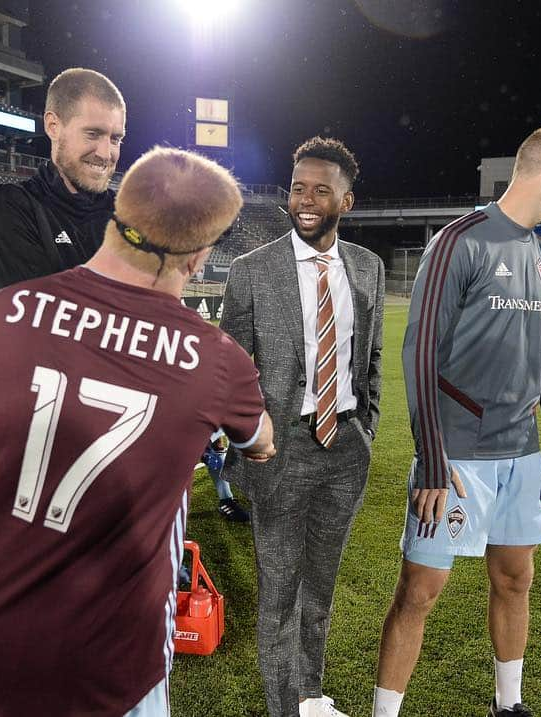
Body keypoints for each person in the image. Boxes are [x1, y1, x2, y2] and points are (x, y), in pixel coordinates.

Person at [0, 146, 275, 717]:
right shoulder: (217, 360)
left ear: (114, 213)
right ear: (199, 254)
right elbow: (259, 440)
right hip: (109, 652)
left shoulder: (4, 310)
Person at [372, 125, 541, 717]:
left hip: (519, 457)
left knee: (516, 579)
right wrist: (435, 459)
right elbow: (419, 354)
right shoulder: (457, 242)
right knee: (419, 592)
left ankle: (508, 706)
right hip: (456, 456)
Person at [220, 136, 385, 717]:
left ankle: (311, 696)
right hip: (278, 450)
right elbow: (231, 370)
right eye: (297, 188)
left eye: (321, 190)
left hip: (344, 446)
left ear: (348, 200)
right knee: (279, 590)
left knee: (320, 588)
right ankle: (282, 709)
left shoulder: (368, 267)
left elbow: (371, 363)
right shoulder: (250, 271)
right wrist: (251, 437)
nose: (306, 200)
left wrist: (366, 429)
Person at [0, 68, 124, 291]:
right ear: (53, 126)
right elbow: (38, 316)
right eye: (92, 134)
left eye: (115, 139)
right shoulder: (9, 205)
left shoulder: (129, 216)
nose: (106, 154)